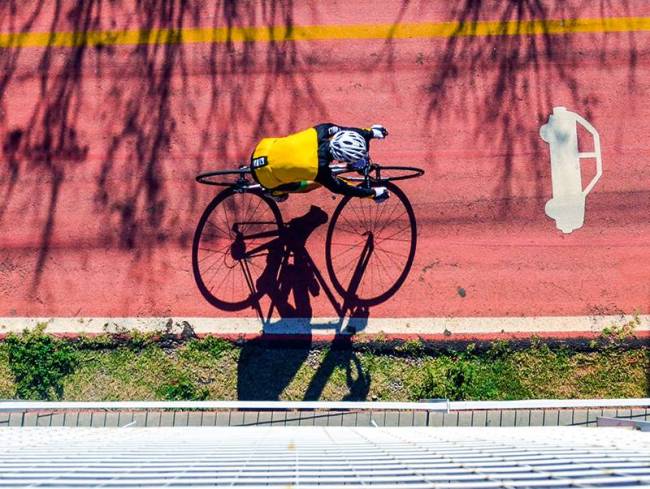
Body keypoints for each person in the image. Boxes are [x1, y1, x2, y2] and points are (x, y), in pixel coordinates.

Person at [249, 123, 390, 203]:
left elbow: (347, 130)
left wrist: (371, 132)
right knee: (311, 184)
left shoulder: (322, 130)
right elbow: (343, 188)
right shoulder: (318, 170)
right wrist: (372, 193)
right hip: (265, 177)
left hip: (264, 147)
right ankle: (274, 191)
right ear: (342, 157)